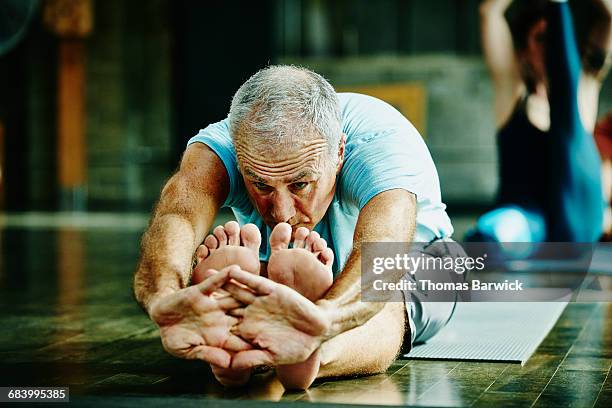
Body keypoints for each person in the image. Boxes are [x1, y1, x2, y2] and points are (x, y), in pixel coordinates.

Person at [133, 65, 462, 389]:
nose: (282, 212)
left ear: (339, 154)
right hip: (289, 263)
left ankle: (311, 353)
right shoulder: (227, 142)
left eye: (300, 184)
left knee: (388, 300)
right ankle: (241, 334)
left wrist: (323, 323)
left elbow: (382, 254)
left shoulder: (381, 145)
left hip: (418, 261)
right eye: (260, 185)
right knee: (242, 282)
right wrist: (164, 298)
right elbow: (177, 215)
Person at [469, 0, 612, 243]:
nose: (551, 48)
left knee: (569, 105)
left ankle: (560, 6)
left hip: (578, 217)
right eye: (542, 38)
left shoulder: (585, 88)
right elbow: (489, 12)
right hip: (528, 218)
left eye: (557, 39)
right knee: (497, 229)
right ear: (524, 50)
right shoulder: (512, 93)